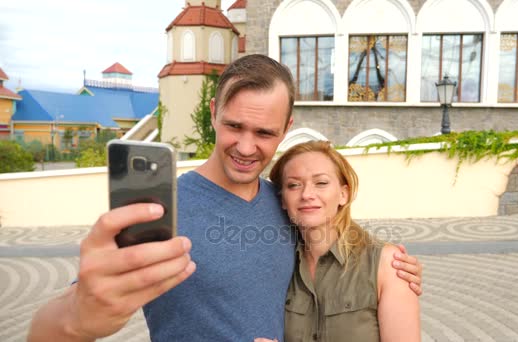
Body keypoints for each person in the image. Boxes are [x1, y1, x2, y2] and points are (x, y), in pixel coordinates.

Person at [28, 54, 423, 341]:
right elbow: (56, 322)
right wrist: (76, 318)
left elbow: (336, 248)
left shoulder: (285, 203)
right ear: (214, 112)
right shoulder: (159, 209)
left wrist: (391, 269)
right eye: (234, 126)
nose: (247, 147)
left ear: (286, 128)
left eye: (265, 133)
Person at [264, 141, 420, 341]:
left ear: (343, 194)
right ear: (283, 200)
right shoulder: (276, 264)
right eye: (294, 185)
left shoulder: (388, 264)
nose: (307, 195)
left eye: (321, 183)